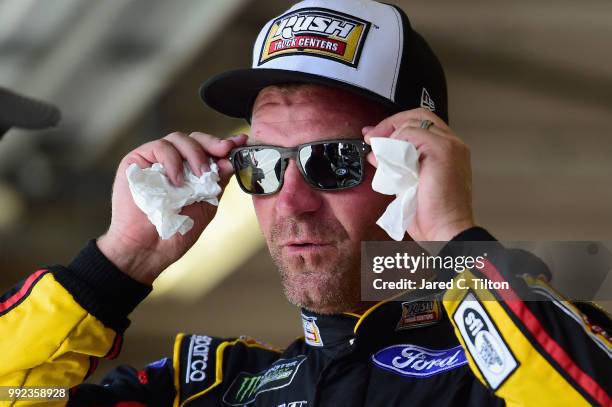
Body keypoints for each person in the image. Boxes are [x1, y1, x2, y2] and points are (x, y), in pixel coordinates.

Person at [1, 0, 610, 406]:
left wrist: (453, 240)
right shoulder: (207, 389)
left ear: (414, 168)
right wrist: (111, 269)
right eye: (261, 166)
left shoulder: (517, 362)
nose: (291, 200)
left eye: (334, 161)